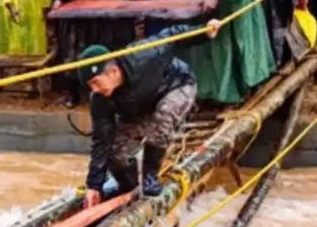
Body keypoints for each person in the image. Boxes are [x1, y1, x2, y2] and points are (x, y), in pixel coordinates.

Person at [77, 21, 215, 204]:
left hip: (176, 87)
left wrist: (204, 31)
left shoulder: (143, 55)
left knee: (164, 116)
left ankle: (150, 176)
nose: (94, 89)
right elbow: (101, 141)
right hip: (140, 106)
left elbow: (172, 35)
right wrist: (93, 185)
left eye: (96, 82)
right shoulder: (100, 98)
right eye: (90, 86)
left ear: (113, 71)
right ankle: (129, 186)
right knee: (115, 151)